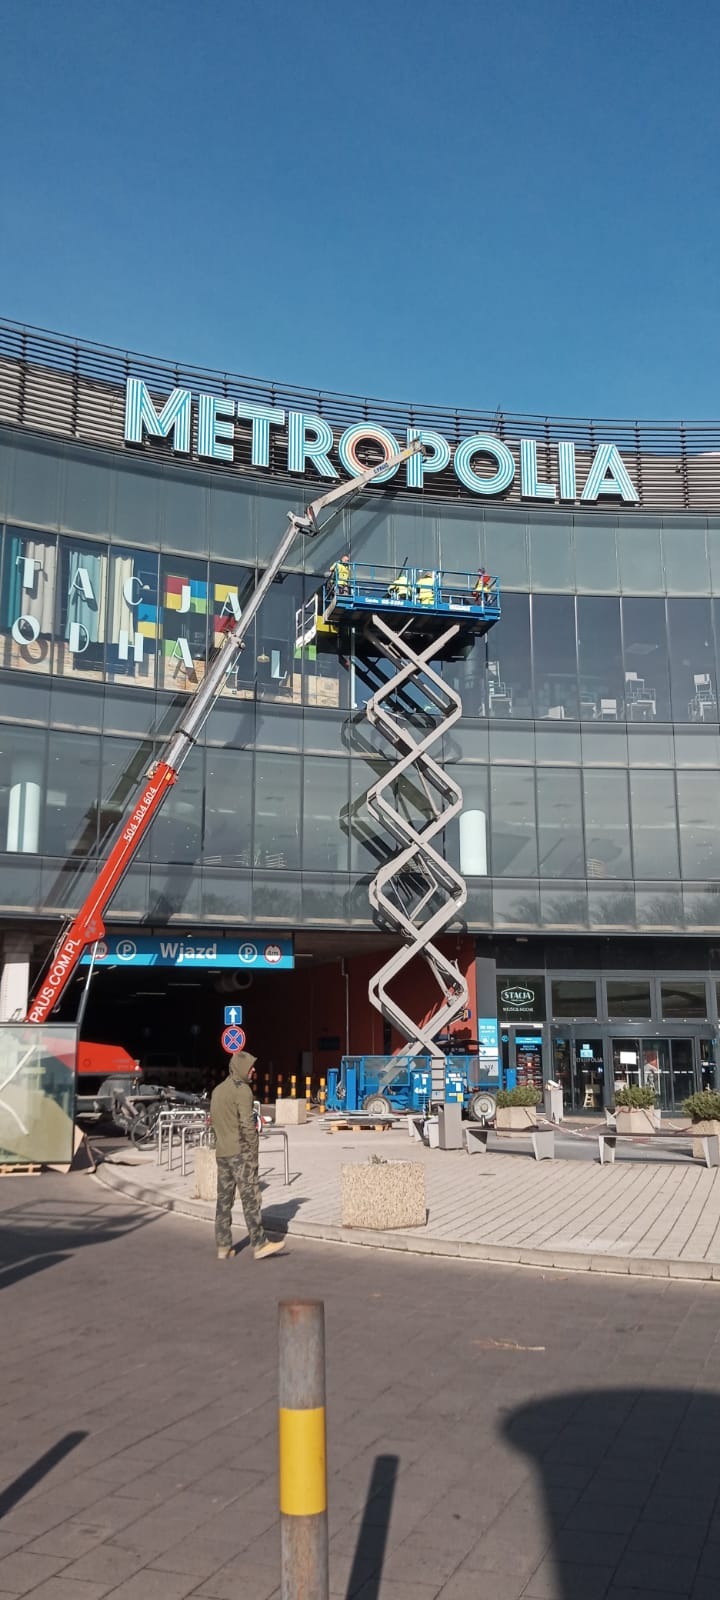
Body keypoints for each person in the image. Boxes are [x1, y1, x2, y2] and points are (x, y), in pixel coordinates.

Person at [210, 1050, 285, 1262]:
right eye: (251, 1067)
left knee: (223, 1201)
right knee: (250, 1197)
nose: (254, 1071)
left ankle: (223, 1245)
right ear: (242, 1068)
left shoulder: (217, 1090)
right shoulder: (242, 1091)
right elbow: (247, 1125)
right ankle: (259, 1243)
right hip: (239, 1153)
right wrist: (253, 1153)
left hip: (222, 1152)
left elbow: (214, 1123)